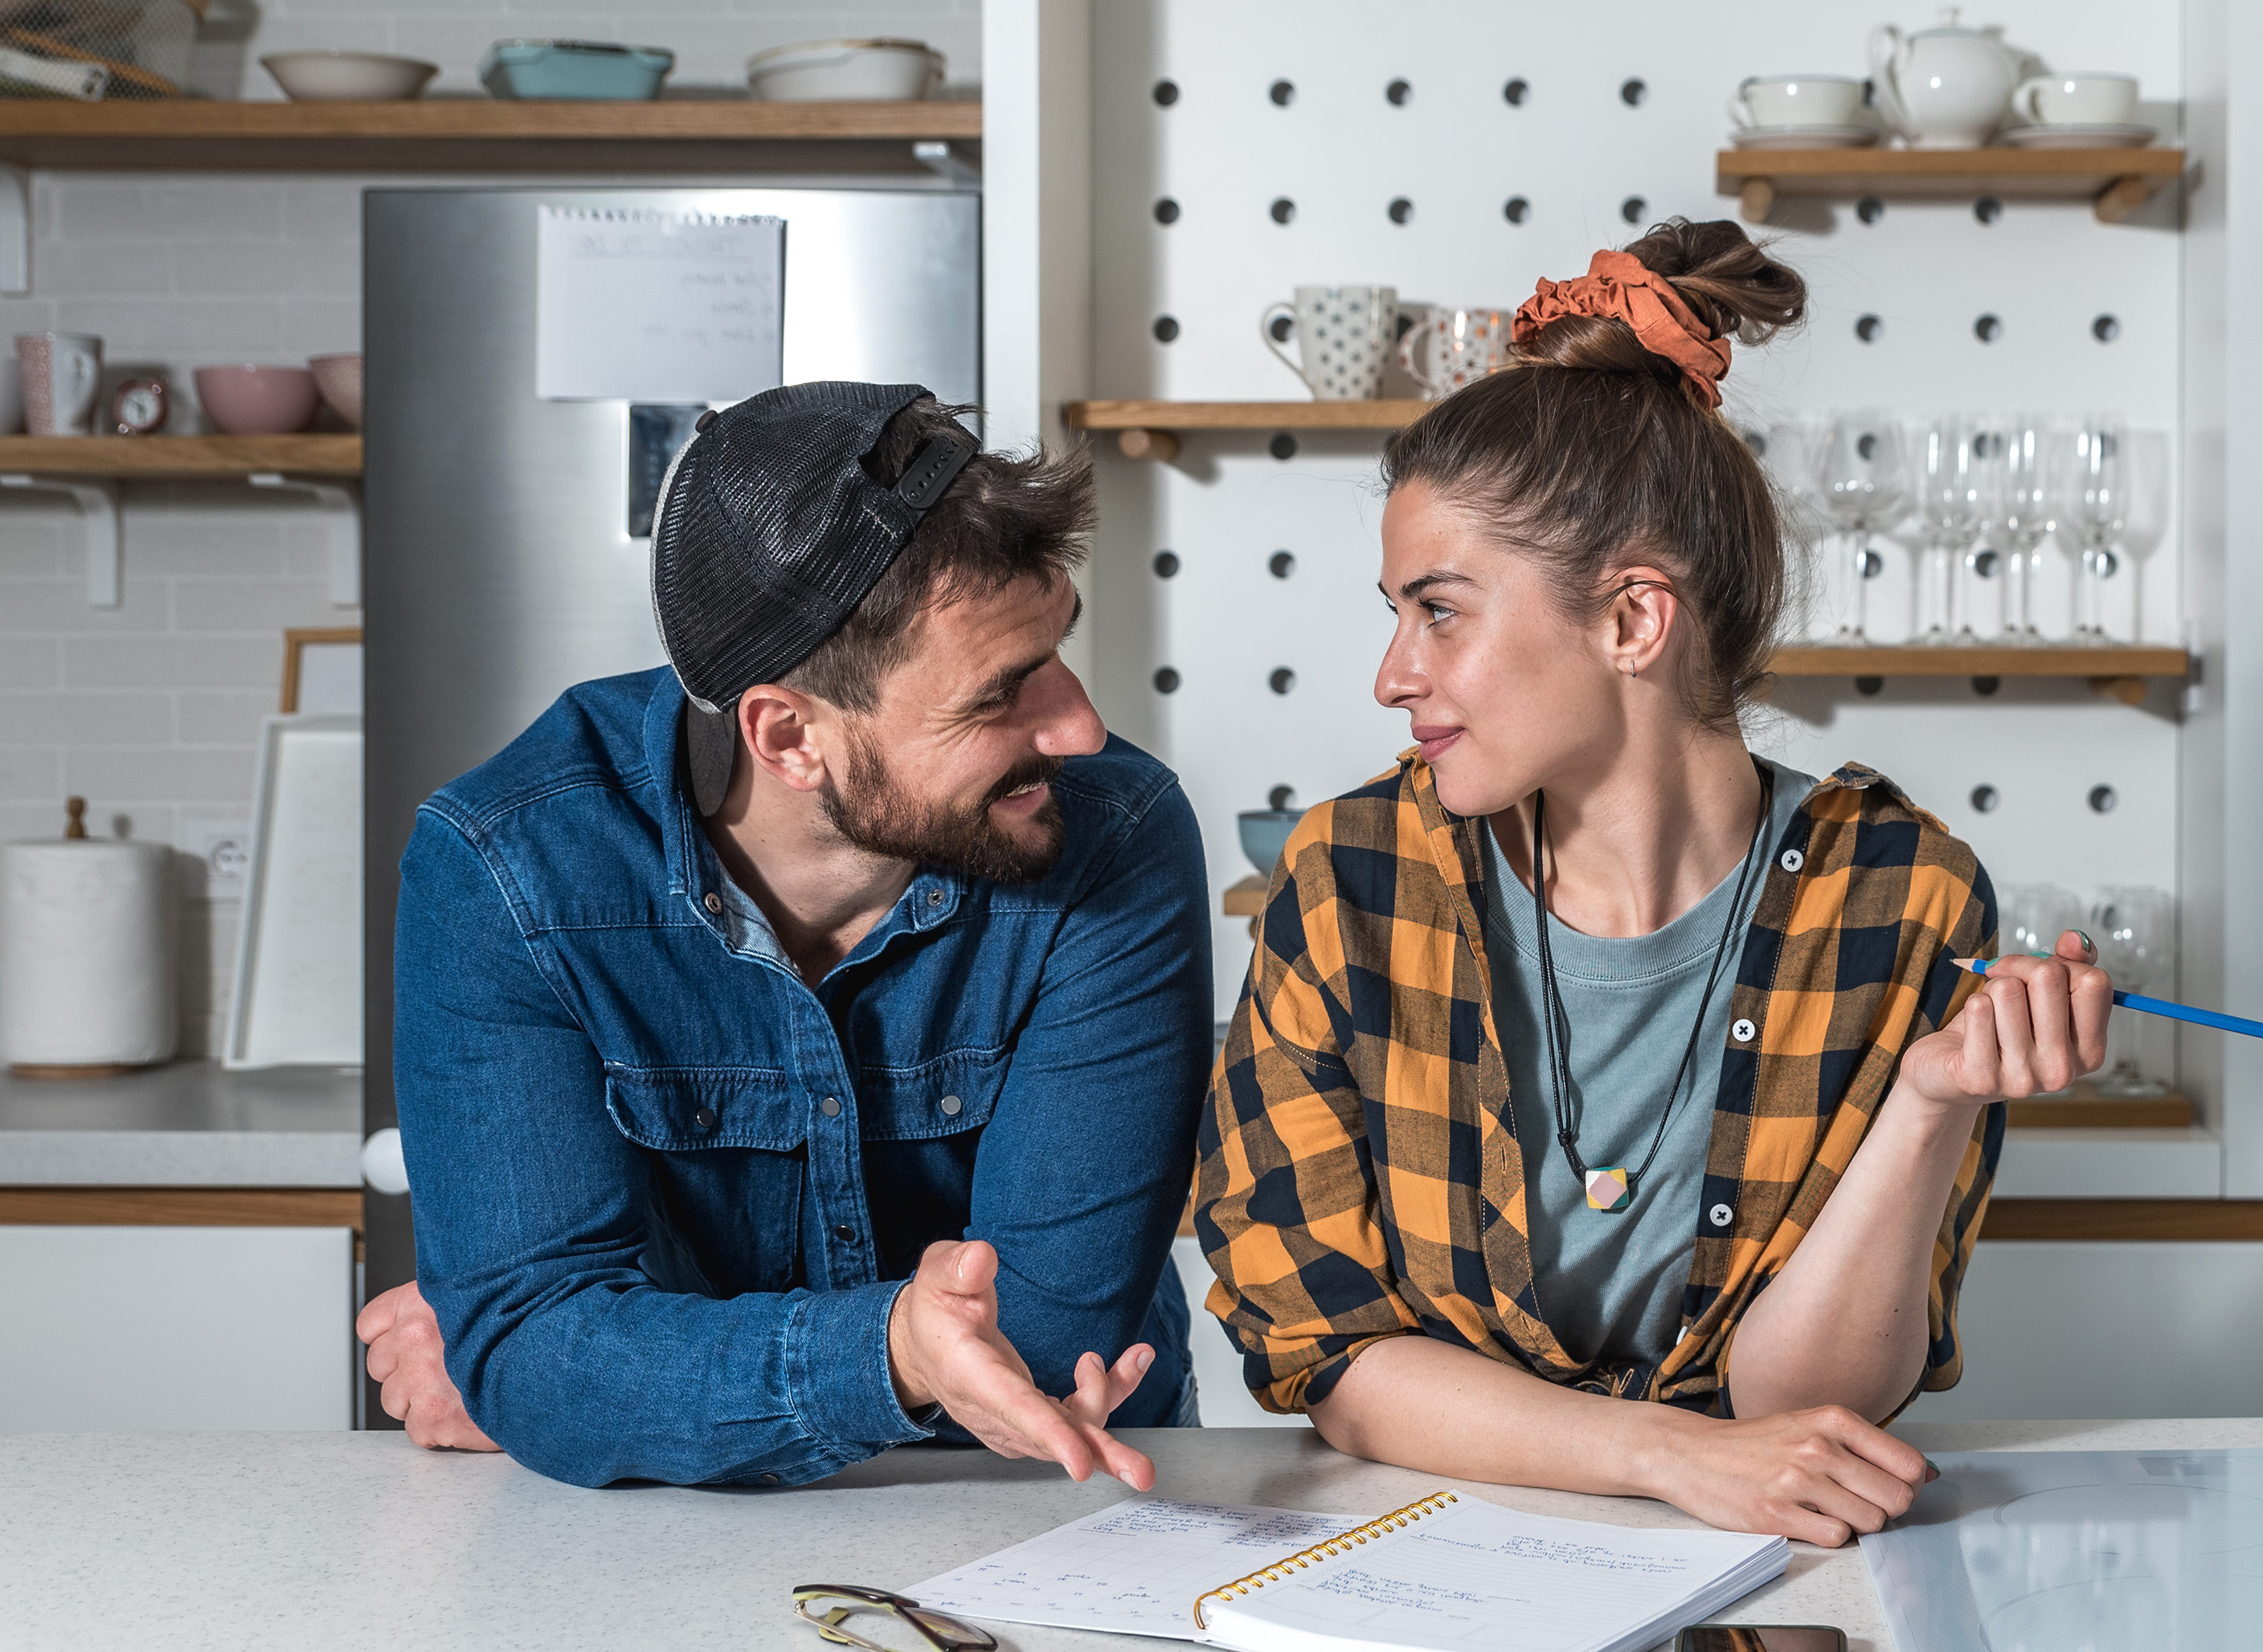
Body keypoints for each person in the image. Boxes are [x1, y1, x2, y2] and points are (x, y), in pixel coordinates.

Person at [1196, 224, 2114, 1548]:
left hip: (1764, 1561)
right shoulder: (1351, 879)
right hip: (1419, 1559)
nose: (1393, 676)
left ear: (1633, 618)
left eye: (1439, 611)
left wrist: (1930, 1105)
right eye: (1396, 616)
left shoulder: (1902, 897)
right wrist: (1667, 1455)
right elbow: (1325, 1353)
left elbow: (1807, 1410)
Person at [355, 383, 1212, 1489]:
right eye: (1001, 696)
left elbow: (1048, 1346)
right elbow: (536, 1353)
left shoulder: (1118, 836)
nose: (1080, 727)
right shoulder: (507, 870)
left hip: (1045, 1498)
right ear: (788, 734)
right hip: (667, 1556)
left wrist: (609, 1381)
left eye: (1056, 649)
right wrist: (895, 1349)